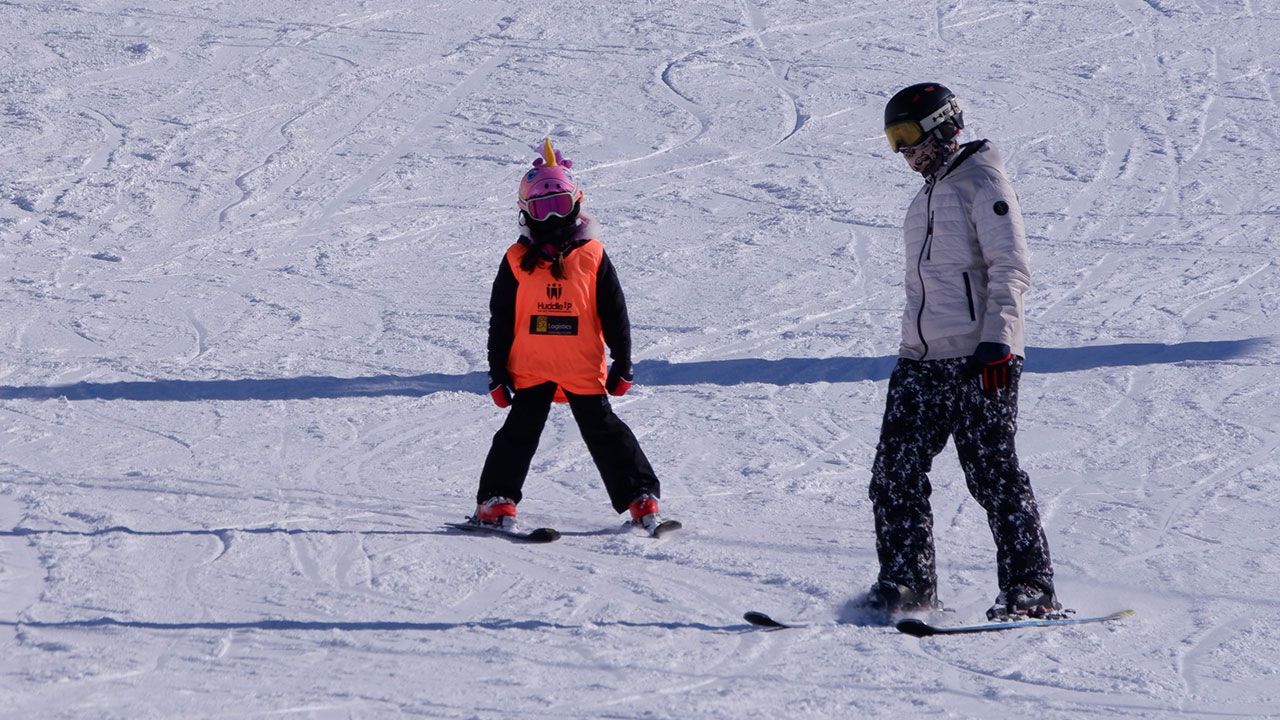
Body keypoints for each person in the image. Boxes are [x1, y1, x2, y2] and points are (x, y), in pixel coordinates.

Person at [867, 83, 1062, 621]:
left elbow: (1011, 265)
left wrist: (999, 338)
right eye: (894, 139)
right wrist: (910, 349)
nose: (903, 152)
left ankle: (1031, 587)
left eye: (908, 135)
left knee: (992, 473)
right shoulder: (925, 197)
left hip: (981, 357)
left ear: (943, 127)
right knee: (894, 473)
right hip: (921, 359)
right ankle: (907, 582)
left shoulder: (984, 182)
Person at [470, 138, 667, 533]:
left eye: (559, 205)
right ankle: (497, 501)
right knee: (520, 434)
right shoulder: (516, 260)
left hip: (580, 368)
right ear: (526, 212)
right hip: (532, 368)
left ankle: (641, 498)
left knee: (604, 432)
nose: (552, 217)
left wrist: (623, 362)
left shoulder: (592, 256)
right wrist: (496, 372)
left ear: (577, 203)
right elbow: (501, 319)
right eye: (542, 209)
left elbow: (615, 313)